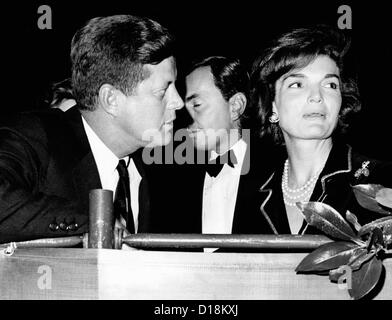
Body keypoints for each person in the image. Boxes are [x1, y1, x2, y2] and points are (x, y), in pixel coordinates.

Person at [0, 14, 184, 243]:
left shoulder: (142, 170)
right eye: (163, 91)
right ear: (111, 99)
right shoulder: (36, 136)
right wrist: (98, 221)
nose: (178, 102)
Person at [249, 25, 392, 236]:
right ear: (272, 105)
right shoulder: (251, 197)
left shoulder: (381, 180)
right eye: (297, 84)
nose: (316, 96)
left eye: (330, 85)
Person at [150, 56, 276, 246]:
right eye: (185, 106)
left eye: (197, 105)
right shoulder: (171, 183)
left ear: (235, 106)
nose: (182, 117)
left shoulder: (278, 173)